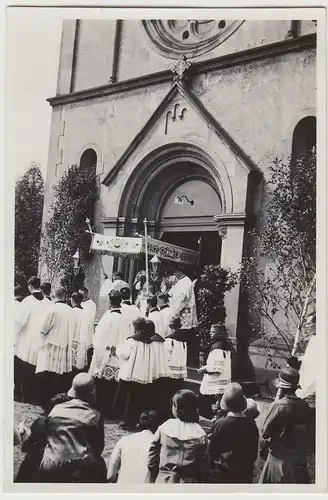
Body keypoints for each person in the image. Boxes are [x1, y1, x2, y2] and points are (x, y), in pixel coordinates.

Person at [39, 373, 106, 483]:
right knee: (99, 465)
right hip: (77, 470)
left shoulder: (56, 409)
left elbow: (45, 436)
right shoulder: (95, 415)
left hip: (50, 464)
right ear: (93, 392)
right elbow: (98, 448)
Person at [259, 366, 313, 484]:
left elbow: (265, 433)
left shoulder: (279, 406)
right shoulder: (305, 405)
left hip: (279, 459)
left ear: (281, 388)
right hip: (298, 457)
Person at [148, 389, 209, 483]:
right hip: (189, 482)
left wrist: (153, 471)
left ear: (176, 407)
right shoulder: (200, 433)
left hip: (164, 479)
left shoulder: (165, 427)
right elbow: (202, 462)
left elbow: (153, 453)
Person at [208, 382, 259, 484]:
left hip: (223, 473)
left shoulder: (221, 424)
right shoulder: (251, 425)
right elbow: (254, 452)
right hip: (244, 473)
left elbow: (212, 449)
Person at [15, 393, 72, 483]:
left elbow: (25, 447)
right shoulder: (70, 429)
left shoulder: (40, 422)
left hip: (31, 468)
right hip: (54, 473)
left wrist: (25, 434)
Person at [89, 290, 129, 416]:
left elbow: (99, 337)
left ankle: (103, 410)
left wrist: (98, 357)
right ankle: (113, 411)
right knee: (114, 387)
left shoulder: (108, 317)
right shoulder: (125, 318)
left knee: (104, 386)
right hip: (120, 356)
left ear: (109, 302)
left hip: (107, 355)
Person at [35, 286, 75, 405]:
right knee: (59, 375)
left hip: (51, 345)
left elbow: (43, 328)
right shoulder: (70, 310)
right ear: (65, 296)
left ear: (53, 295)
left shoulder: (51, 309)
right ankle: (57, 401)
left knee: (47, 374)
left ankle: (45, 401)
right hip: (64, 345)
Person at [113, 317, 153, 429]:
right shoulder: (149, 340)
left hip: (131, 373)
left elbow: (125, 354)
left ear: (135, 328)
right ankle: (140, 420)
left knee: (129, 398)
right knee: (139, 398)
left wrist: (118, 348)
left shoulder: (131, 340)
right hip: (143, 373)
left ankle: (128, 422)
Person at [14, 276, 46, 403]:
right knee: (34, 369)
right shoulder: (47, 302)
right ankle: (32, 395)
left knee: (21, 368)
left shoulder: (27, 301)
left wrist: (14, 336)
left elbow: (20, 321)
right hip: (40, 340)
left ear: (30, 286)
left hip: (26, 339)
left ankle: (20, 394)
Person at [107, 410, 159, 483]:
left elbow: (110, 476)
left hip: (123, 489)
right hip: (146, 490)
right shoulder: (158, 445)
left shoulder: (123, 441)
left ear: (138, 424)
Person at [198, 324, 232, 419]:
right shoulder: (225, 345)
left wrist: (205, 368)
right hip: (223, 380)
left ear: (220, 334)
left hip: (215, 382)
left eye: (213, 332)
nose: (210, 333)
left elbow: (216, 368)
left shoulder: (217, 347)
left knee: (206, 404)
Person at [146, 319, 170, 423]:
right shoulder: (160, 340)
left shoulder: (150, 340)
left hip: (152, 370)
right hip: (162, 369)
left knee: (152, 394)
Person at [165, 317, 188, 398]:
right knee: (179, 393)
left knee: (170, 393)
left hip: (171, 371)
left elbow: (167, 356)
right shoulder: (184, 339)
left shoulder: (169, 339)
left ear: (170, 326)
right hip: (181, 369)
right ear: (180, 325)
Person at [168, 266, 197, 331]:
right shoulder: (181, 281)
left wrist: (176, 310)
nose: (175, 275)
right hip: (180, 309)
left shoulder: (186, 281)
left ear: (180, 272)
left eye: (176, 273)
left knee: (184, 330)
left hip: (185, 309)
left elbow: (184, 298)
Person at [70, 292, 93, 373]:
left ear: (72, 300)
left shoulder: (72, 311)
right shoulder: (86, 312)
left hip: (73, 339)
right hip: (83, 340)